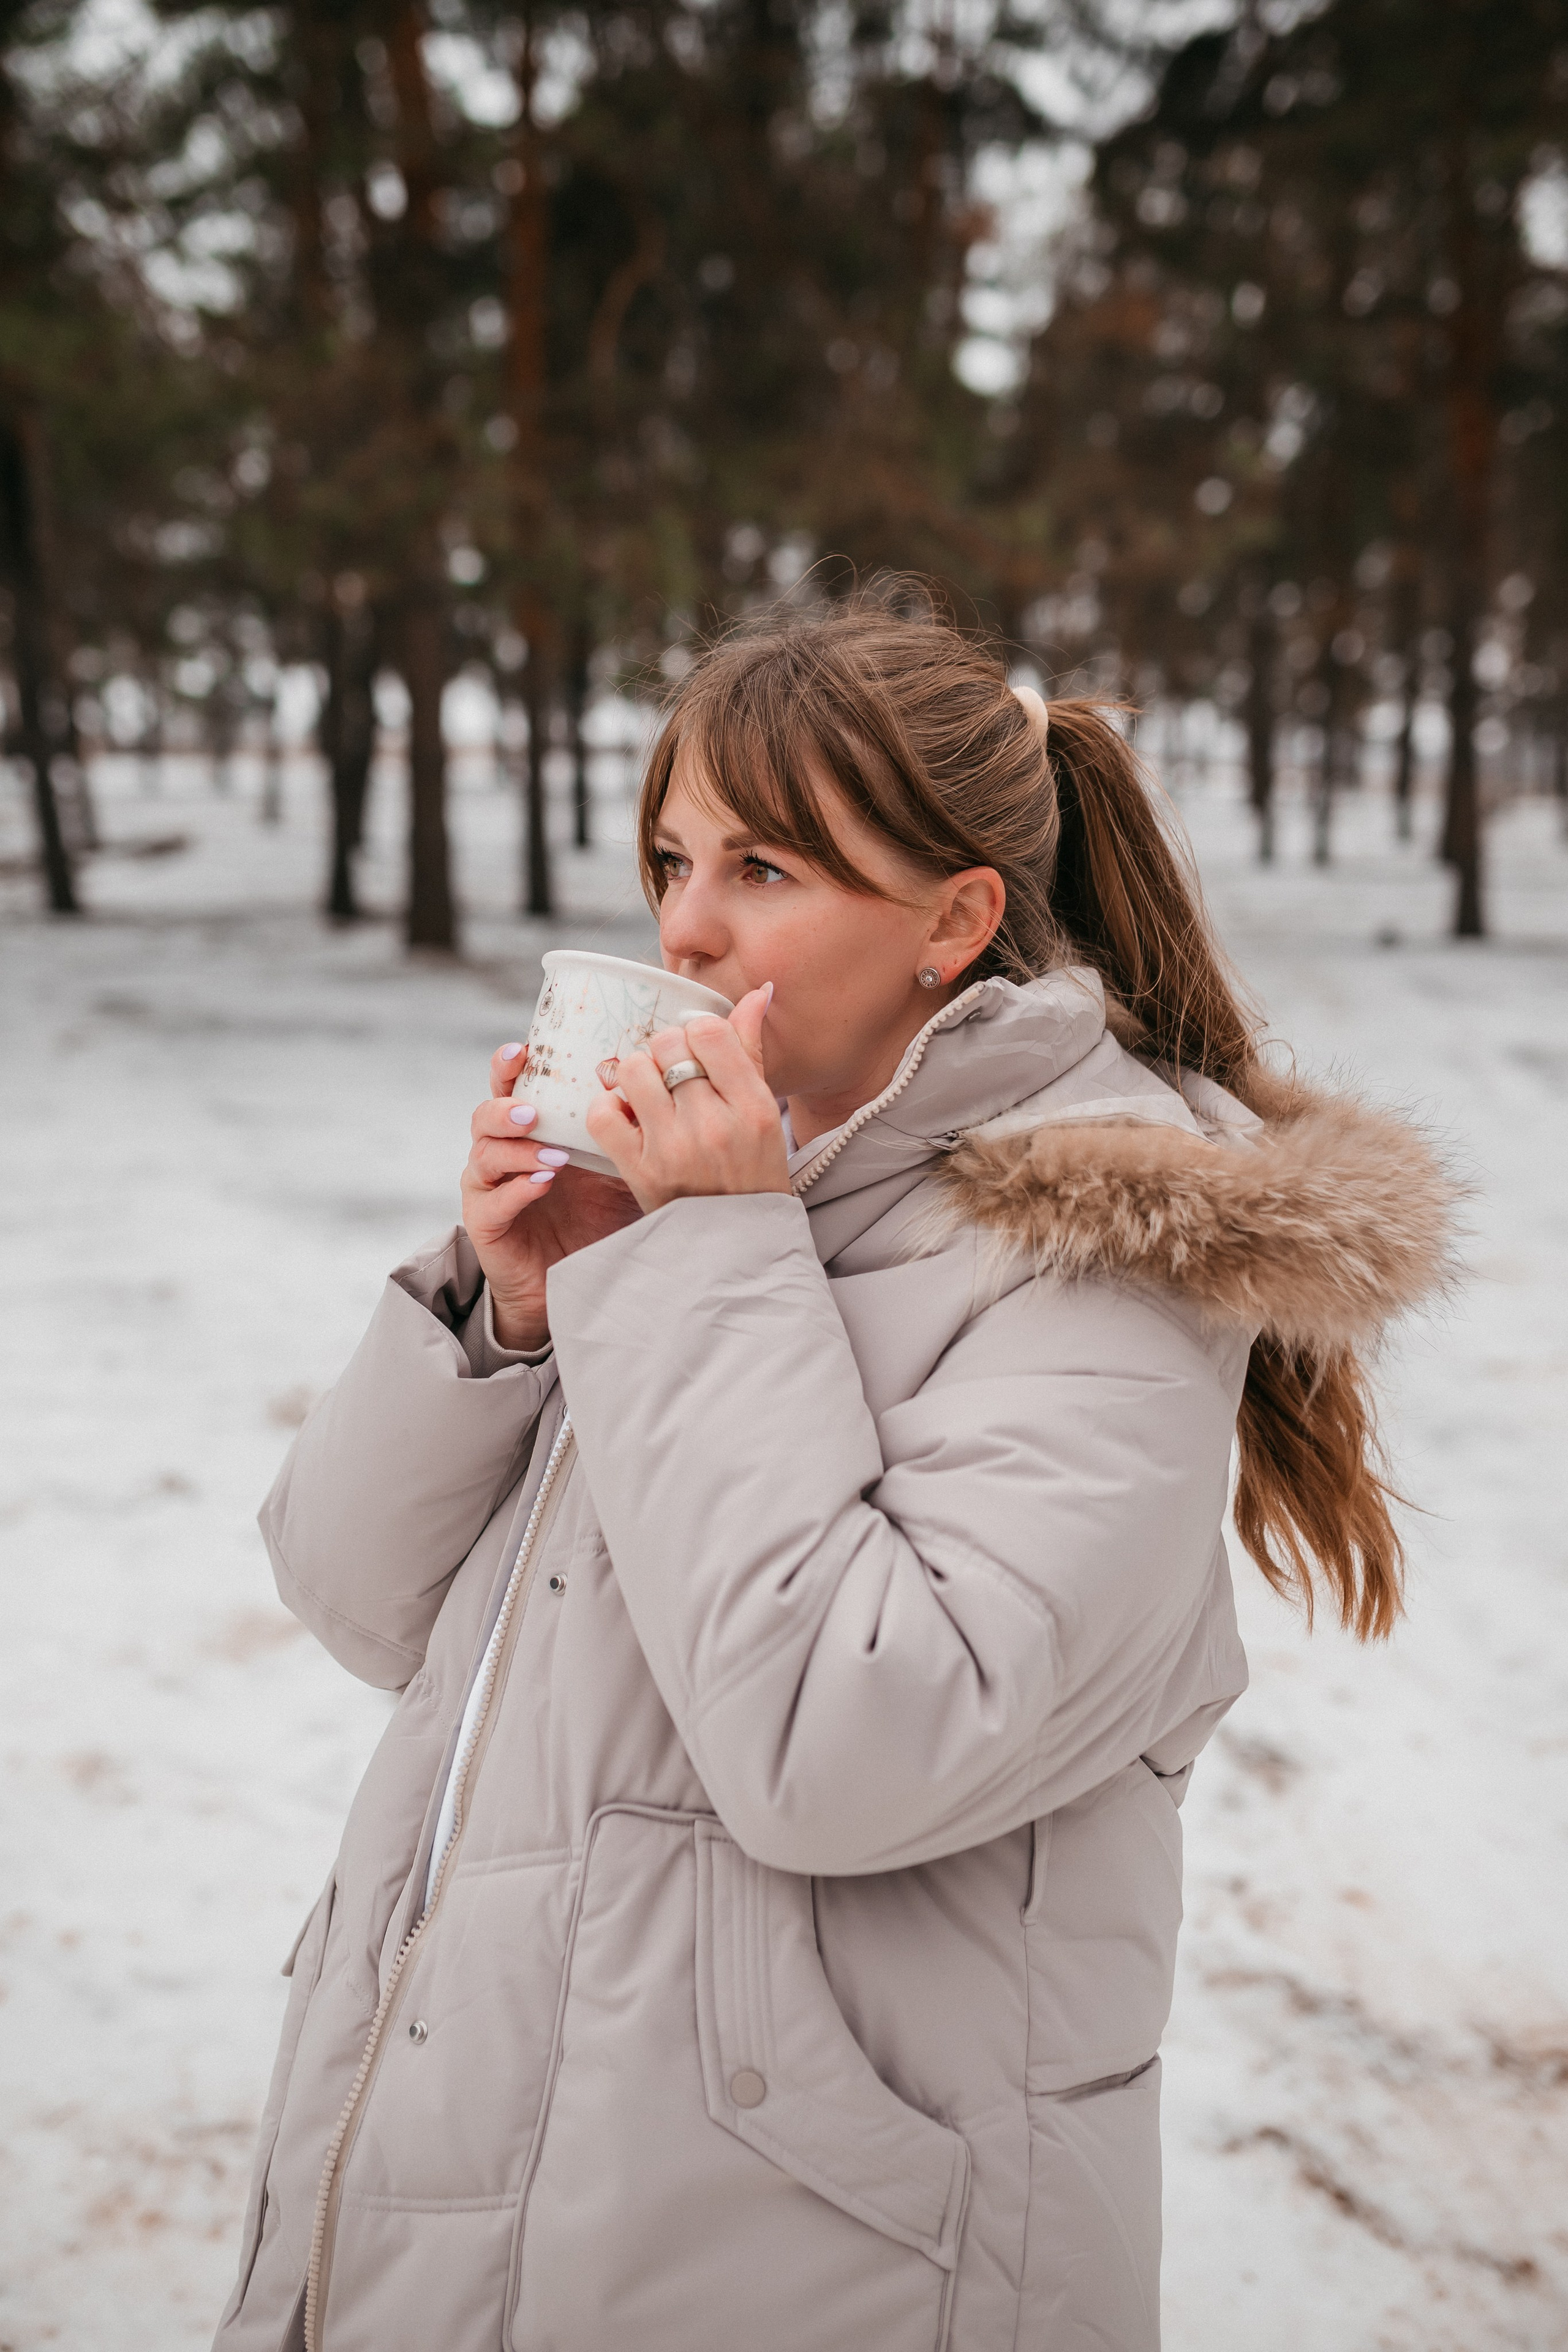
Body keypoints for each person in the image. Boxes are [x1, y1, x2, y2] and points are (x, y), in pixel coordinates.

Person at [216, 588, 1457, 2352]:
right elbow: (354, 1601)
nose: (686, 928)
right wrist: (515, 1303)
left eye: (766, 871)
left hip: (826, 2263)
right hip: (480, 2190)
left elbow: (850, 1750)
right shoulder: (702, 1197)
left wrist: (709, 1259)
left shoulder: (1095, 1262)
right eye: (671, 859)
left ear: (953, 921)